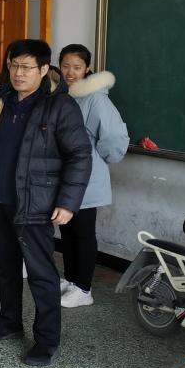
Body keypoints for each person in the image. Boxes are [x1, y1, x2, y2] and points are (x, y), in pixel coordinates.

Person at [0, 39, 91, 367]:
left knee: (40, 274)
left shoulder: (60, 106)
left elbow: (80, 155)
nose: (18, 73)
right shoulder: (2, 100)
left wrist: (68, 202)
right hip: (0, 198)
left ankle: (47, 341)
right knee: (4, 266)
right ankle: (9, 322)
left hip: (36, 203)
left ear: (43, 69)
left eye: (26, 67)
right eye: (14, 65)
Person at [57, 43, 129, 308]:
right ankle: (71, 279)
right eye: (65, 66)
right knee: (66, 230)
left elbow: (113, 136)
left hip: (87, 177)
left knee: (83, 232)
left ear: (87, 68)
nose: (70, 72)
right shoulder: (66, 95)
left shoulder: (95, 98)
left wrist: (99, 160)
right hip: (66, 176)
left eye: (76, 67)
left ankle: (84, 288)